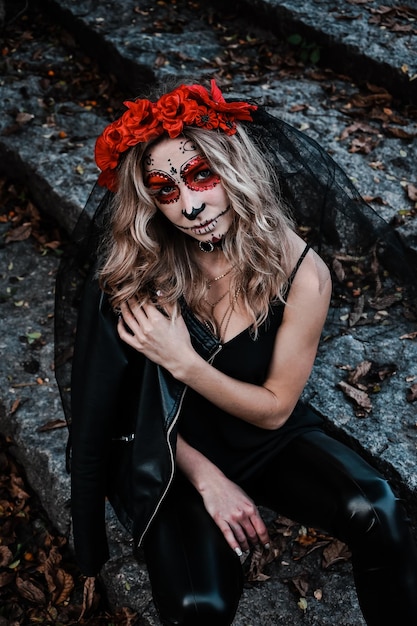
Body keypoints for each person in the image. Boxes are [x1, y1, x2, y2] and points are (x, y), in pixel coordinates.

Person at [56, 79, 417, 626]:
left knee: (380, 512)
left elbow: (274, 407)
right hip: (171, 446)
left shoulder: (301, 272)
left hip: (261, 432)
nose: (192, 204)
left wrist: (183, 361)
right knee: (199, 606)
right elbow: (119, 412)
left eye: (203, 174)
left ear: (237, 170)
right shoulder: (137, 272)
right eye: (166, 188)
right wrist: (206, 479)